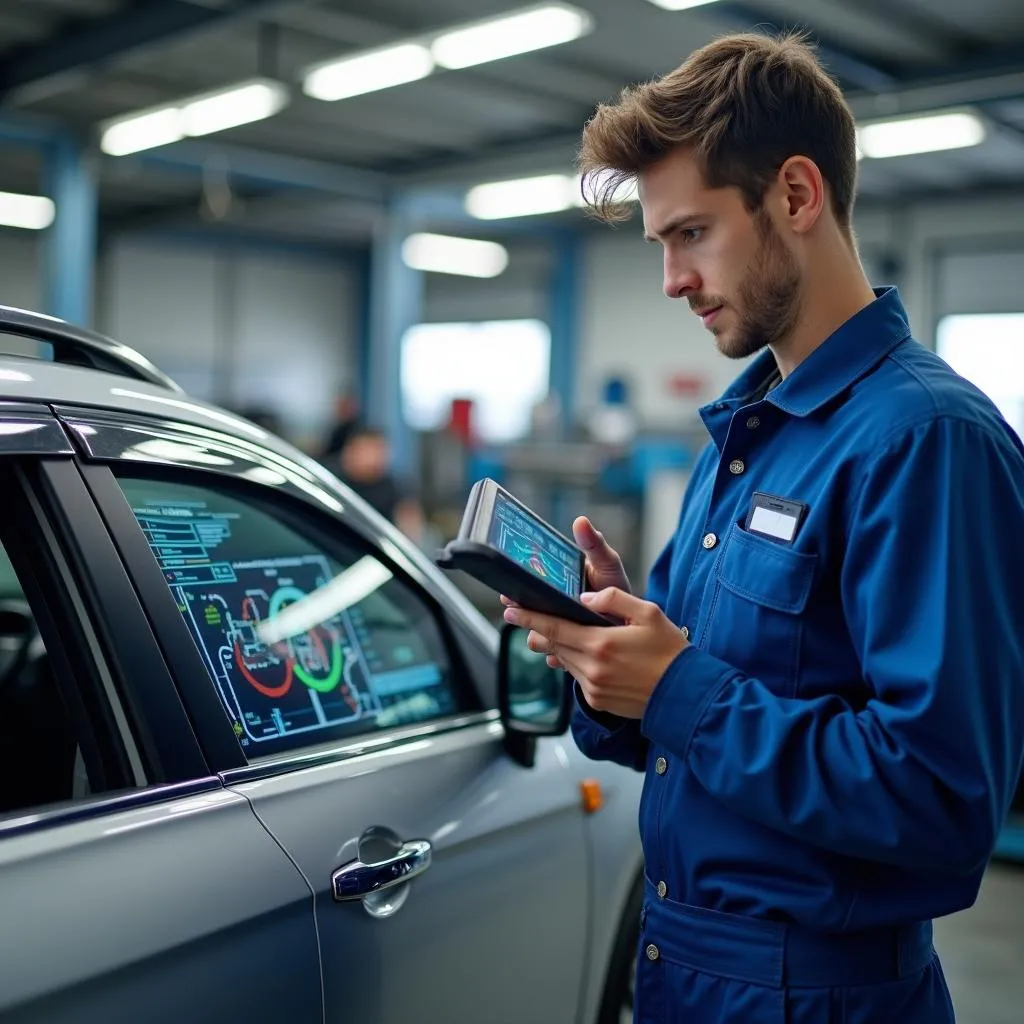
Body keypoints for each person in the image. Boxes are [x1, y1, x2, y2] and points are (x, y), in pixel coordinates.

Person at [501, 31, 1024, 1024]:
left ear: (794, 194)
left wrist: (678, 686)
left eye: (690, 233)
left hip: (816, 994)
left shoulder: (925, 441)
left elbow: (943, 798)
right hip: (684, 965)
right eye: (659, 243)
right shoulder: (749, 434)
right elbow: (704, 695)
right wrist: (617, 665)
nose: (670, 279)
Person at [333, 426, 424, 542]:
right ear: (350, 452)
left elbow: (411, 527)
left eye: (381, 451)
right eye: (369, 451)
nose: (376, 458)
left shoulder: (393, 486)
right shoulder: (328, 479)